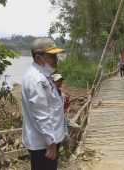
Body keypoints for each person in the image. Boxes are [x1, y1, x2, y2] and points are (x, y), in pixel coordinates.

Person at [21, 38, 67, 170]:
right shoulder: (36, 79)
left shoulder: (43, 76)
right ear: (39, 58)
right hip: (44, 145)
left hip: (47, 141)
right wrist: (50, 142)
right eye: (52, 55)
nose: (56, 58)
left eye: (56, 55)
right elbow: (40, 115)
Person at [51, 74, 80, 158]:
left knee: (76, 128)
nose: (59, 82)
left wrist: (67, 100)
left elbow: (65, 106)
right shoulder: (49, 93)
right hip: (54, 120)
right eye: (57, 81)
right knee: (64, 136)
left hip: (62, 118)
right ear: (52, 82)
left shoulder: (61, 91)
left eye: (60, 80)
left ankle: (71, 145)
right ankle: (67, 154)